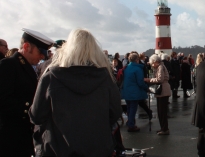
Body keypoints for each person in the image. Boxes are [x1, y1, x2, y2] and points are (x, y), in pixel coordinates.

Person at [28, 28, 122, 157]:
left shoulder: (51, 77)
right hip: (98, 148)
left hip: (58, 149)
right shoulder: (105, 78)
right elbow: (115, 112)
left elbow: (37, 116)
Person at [0, 28, 53, 157]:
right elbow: (3, 101)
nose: (42, 56)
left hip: (22, 136)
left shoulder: (26, 67)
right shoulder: (8, 65)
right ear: (26, 46)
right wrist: (32, 109)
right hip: (9, 137)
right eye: (40, 52)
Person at [121, 52, 149, 132]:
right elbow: (140, 82)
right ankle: (131, 125)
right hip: (134, 91)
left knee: (129, 107)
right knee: (133, 108)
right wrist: (146, 88)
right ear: (137, 60)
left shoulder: (126, 68)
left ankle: (130, 122)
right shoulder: (138, 69)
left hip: (127, 91)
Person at [144, 54, 172, 135]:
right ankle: (163, 128)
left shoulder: (160, 67)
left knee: (162, 111)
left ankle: (165, 129)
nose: (152, 65)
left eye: (153, 63)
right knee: (161, 111)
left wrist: (149, 80)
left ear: (156, 61)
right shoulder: (160, 67)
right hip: (163, 90)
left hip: (163, 90)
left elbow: (160, 79)